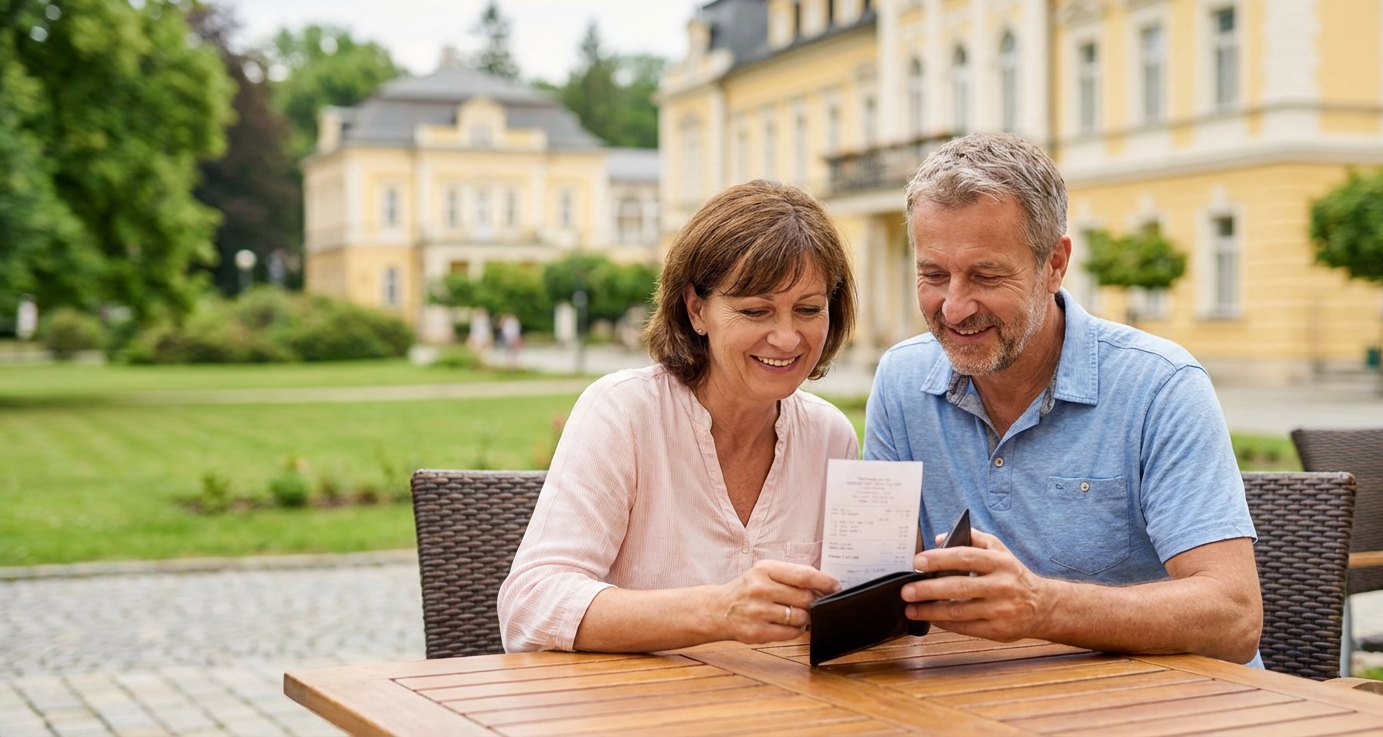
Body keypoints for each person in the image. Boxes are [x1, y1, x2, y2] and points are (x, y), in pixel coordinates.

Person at [865, 133, 1263, 665]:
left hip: (1165, 705)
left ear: (1055, 264)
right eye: (933, 275)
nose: (954, 308)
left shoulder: (1160, 385)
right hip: (987, 702)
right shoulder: (901, 379)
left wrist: (1040, 607)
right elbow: (887, 589)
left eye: (985, 276)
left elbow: (1234, 618)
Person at [499, 180, 859, 653]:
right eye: (756, 310)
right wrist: (718, 611)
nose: (788, 338)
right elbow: (530, 605)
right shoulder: (623, 412)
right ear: (696, 310)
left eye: (809, 309)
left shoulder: (831, 436)